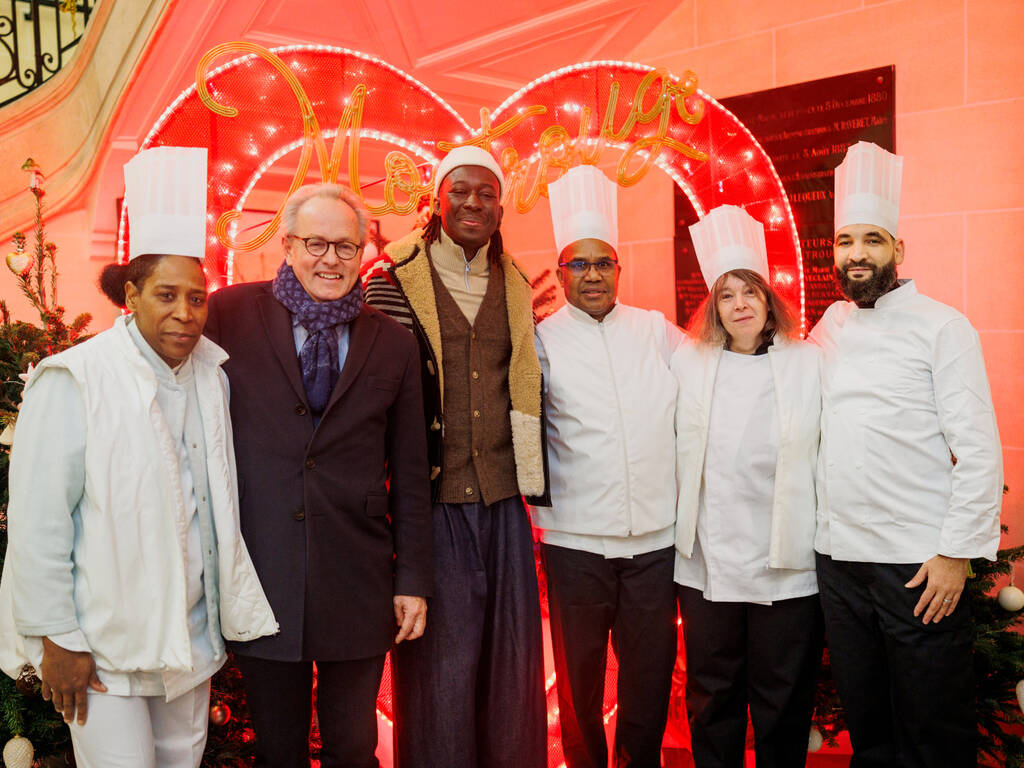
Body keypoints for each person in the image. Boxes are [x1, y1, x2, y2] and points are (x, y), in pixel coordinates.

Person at [0, 146, 277, 768]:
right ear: (132, 294)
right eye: (166, 295)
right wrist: (57, 639)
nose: (185, 313)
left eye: (197, 298)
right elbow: (39, 521)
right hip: (102, 650)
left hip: (190, 641)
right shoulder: (75, 378)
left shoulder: (212, 375)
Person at [204, 183, 432, 768]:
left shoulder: (394, 343)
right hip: (263, 570)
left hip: (357, 576)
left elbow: (410, 473)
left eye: (345, 246)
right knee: (277, 748)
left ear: (363, 251)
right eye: (315, 244)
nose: (331, 259)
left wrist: (412, 579)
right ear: (287, 245)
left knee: (353, 748)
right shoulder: (227, 314)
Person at [810, 142, 1003, 768]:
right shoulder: (828, 326)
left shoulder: (942, 326)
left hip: (916, 564)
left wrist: (955, 554)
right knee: (868, 724)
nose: (856, 254)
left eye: (872, 240)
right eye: (845, 241)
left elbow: (979, 450)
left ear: (898, 248)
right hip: (839, 560)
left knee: (932, 726)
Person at [362, 145, 547, 768]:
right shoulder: (391, 279)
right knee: (438, 678)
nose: (473, 202)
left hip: (504, 503)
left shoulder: (515, 283)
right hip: (430, 505)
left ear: (501, 208)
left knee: (513, 674)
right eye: (460, 190)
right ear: (437, 201)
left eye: (487, 193)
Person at [533, 164, 683, 768]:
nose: (592, 274)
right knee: (580, 685)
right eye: (579, 263)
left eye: (603, 263)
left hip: (655, 542)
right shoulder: (540, 341)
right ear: (561, 272)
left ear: (619, 270)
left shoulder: (655, 331)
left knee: (649, 677)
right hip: (574, 543)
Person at [672, 204, 823, 768]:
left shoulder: (808, 362)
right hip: (709, 562)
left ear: (768, 300)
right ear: (713, 307)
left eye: (750, 292)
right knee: (713, 694)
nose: (740, 305)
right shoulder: (688, 362)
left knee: (783, 697)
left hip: (787, 563)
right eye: (727, 295)